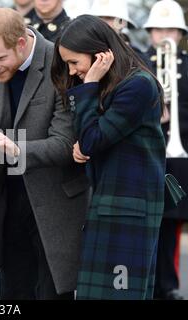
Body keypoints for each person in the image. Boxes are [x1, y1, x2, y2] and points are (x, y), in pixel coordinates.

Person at [0, 7, 90, 300]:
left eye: (0, 59)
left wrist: (16, 148)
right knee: (13, 292)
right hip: (9, 195)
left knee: (52, 293)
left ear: (22, 43)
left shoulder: (60, 60)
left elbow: (65, 142)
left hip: (56, 200)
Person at [52, 14, 166, 299]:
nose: (73, 70)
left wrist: (89, 85)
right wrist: (85, 142)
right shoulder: (114, 84)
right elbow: (90, 138)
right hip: (111, 203)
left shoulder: (138, 85)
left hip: (129, 210)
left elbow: (91, 140)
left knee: (120, 295)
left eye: (74, 62)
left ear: (100, 54)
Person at [143, 0, 188, 300]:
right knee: (146, 221)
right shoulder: (138, 62)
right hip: (145, 153)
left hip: (179, 153)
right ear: (149, 33)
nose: (164, 35)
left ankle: (168, 285)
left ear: (181, 33)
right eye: (158, 29)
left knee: (171, 222)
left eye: (171, 29)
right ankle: (144, 283)